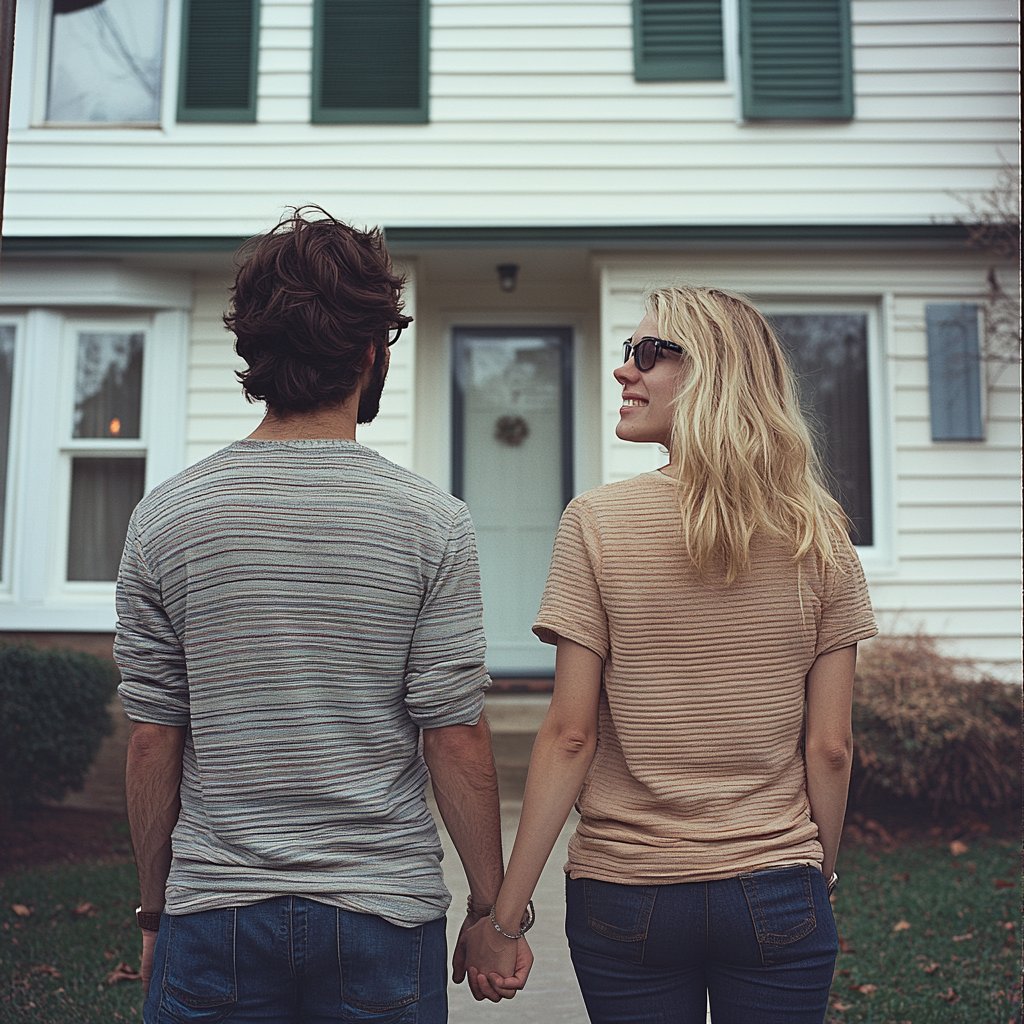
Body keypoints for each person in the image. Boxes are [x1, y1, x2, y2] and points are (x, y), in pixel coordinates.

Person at [114, 206, 529, 1023]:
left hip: (215, 913)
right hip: (382, 916)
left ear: (253, 350)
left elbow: (156, 735)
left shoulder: (165, 517)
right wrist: (491, 911)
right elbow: (453, 733)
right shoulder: (429, 522)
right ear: (373, 353)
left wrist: (156, 913)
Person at [463, 286, 877, 1022]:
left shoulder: (597, 522)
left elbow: (570, 735)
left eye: (650, 354)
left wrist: (502, 919)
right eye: (627, 353)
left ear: (713, 372)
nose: (626, 371)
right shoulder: (820, 531)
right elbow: (832, 746)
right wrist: (818, 876)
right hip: (776, 886)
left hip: (628, 894)